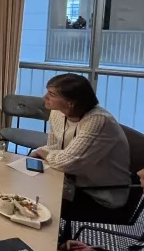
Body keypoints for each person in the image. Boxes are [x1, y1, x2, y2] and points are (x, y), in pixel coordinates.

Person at [31, 74, 130, 216]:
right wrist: (39, 152)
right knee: (27, 186)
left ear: (70, 102)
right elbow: (54, 147)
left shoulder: (98, 120)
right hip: (71, 181)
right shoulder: (57, 113)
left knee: (37, 201)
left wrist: (42, 153)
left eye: (51, 94)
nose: (44, 97)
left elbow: (68, 163)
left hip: (99, 194)